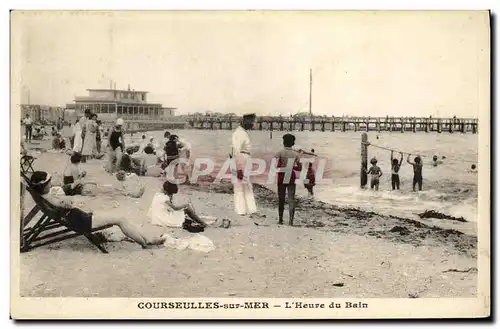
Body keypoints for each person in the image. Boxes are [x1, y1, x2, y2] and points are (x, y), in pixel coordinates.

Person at [29, 171, 166, 249]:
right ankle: (145, 242)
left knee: (118, 218)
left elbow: (64, 203)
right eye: (49, 182)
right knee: (121, 219)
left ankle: (146, 239)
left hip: (81, 217)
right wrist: (67, 201)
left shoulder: (45, 196)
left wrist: (65, 200)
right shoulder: (51, 198)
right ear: (45, 185)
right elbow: (68, 204)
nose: (51, 183)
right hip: (83, 221)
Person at [231, 113, 257, 216]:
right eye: (252, 121)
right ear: (245, 120)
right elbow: (236, 152)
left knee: (246, 185)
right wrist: (239, 168)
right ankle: (241, 210)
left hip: (244, 159)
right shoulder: (239, 133)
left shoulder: (242, 132)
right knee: (239, 185)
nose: (253, 124)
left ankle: (250, 209)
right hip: (241, 159)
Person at [274, 133, 302, 225]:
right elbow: (300, 168)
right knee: (291, 199)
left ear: (283, 142)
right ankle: (291, 221)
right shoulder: (296, 154)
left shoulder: (279, 152)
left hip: (282, 175)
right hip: (291, 175)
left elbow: (276, 166)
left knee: (281, 198)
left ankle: (280, 220)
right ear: (293, 143)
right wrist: (291, 167)